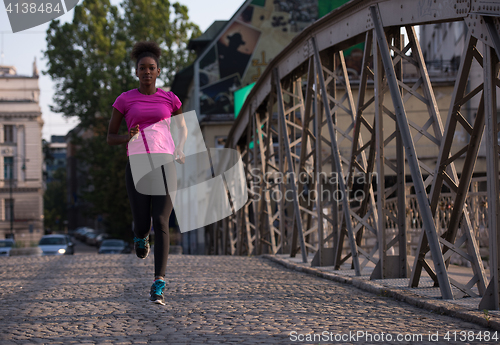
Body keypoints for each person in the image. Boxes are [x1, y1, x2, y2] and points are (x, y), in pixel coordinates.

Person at [107, 41, 187, 305]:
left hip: (165, 162)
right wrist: (126, 137)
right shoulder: (125, 99)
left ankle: (159, 283)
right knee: (143, 222)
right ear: (136, 71)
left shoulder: (170, 98)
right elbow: (110, 137)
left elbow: (182, 127)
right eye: (142, 68)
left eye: (151, 68)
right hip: (138, 163)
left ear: (158, 70)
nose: (147, 72)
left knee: (161, 220)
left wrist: (181, 147)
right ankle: (140, 237)